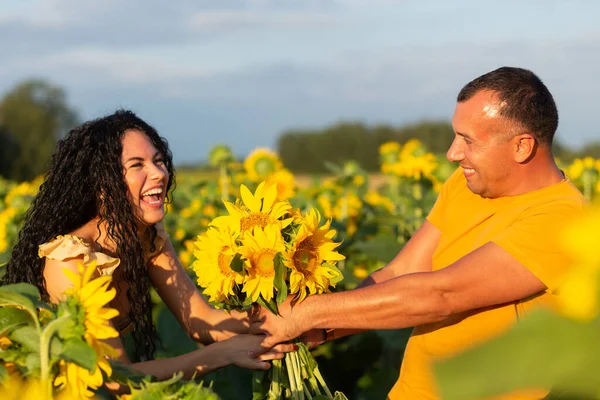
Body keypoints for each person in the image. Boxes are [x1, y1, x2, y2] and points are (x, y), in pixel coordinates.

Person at [249, 67, 587, 399]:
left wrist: (310, 313)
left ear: (522, 147)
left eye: (468, 140)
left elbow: (441, 296)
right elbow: (401, 271)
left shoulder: (563, 221)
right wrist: (318, 328)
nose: (453, 153)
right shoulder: (465, 185)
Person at [2, 110, 293, 393]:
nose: (158, 173)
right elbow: (117, 379)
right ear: (103, 182)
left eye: (158, 160)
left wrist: (277, 320)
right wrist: (223, 354)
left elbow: (201, 322)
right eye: (137, 164)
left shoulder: (145, 237)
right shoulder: (70, 261)